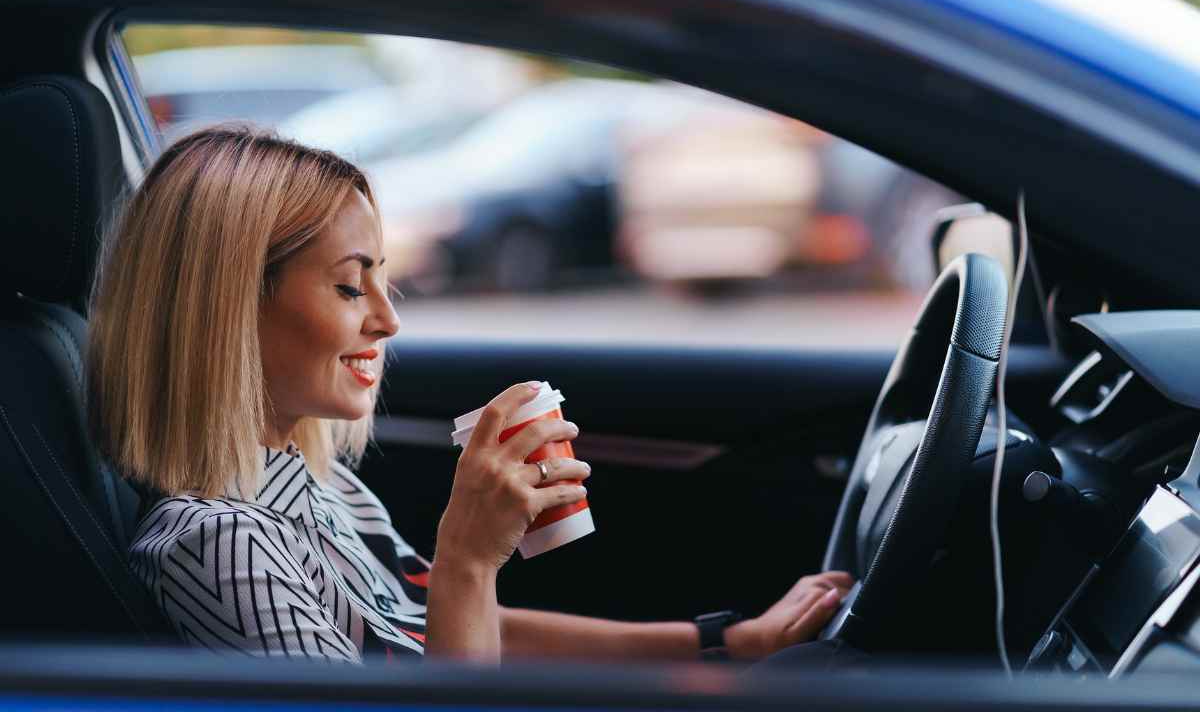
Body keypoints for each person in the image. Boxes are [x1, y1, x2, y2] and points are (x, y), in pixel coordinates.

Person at [89, 125, 854, 664]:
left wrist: (724, 645)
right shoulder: (219, 544)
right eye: (351, 285)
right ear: (231, 306)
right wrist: (466, 558)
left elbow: (463, 632)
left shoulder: (322, 492)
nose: (388, 319)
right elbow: (456, 621)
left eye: (384, 281)